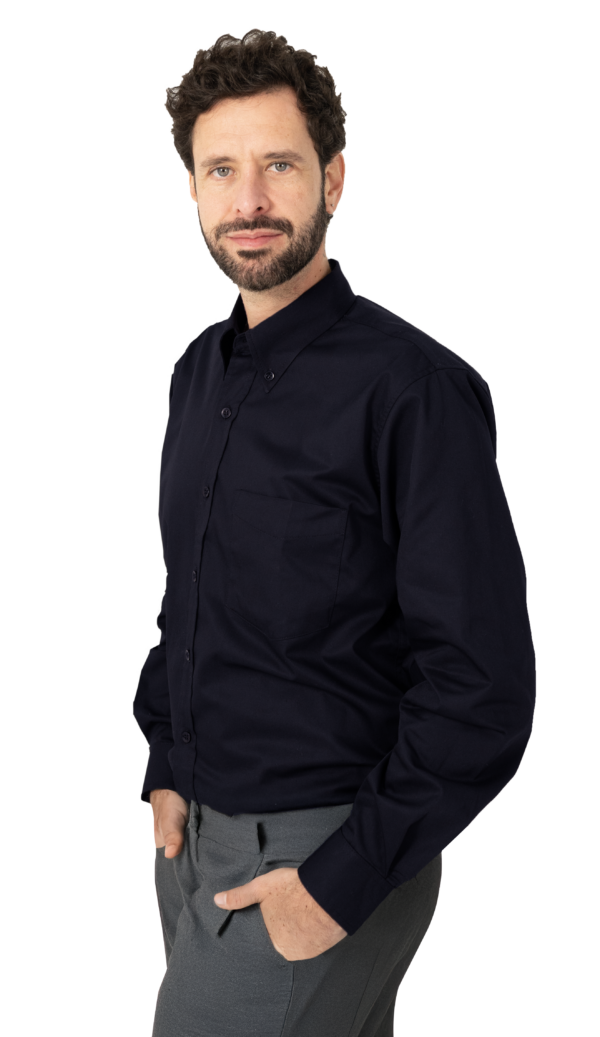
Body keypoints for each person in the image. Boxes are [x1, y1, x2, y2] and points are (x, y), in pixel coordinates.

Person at [132, 28, 536, 1037]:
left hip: (324, 852)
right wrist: (167, 759)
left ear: (335, 179)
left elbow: (484, 685)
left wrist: (339, 881)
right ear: (193, 188)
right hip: (195, 847)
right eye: (221, 169)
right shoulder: (197, 372)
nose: (250, 198)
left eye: (279, 164)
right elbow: (192, 593)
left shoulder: (415, 390)